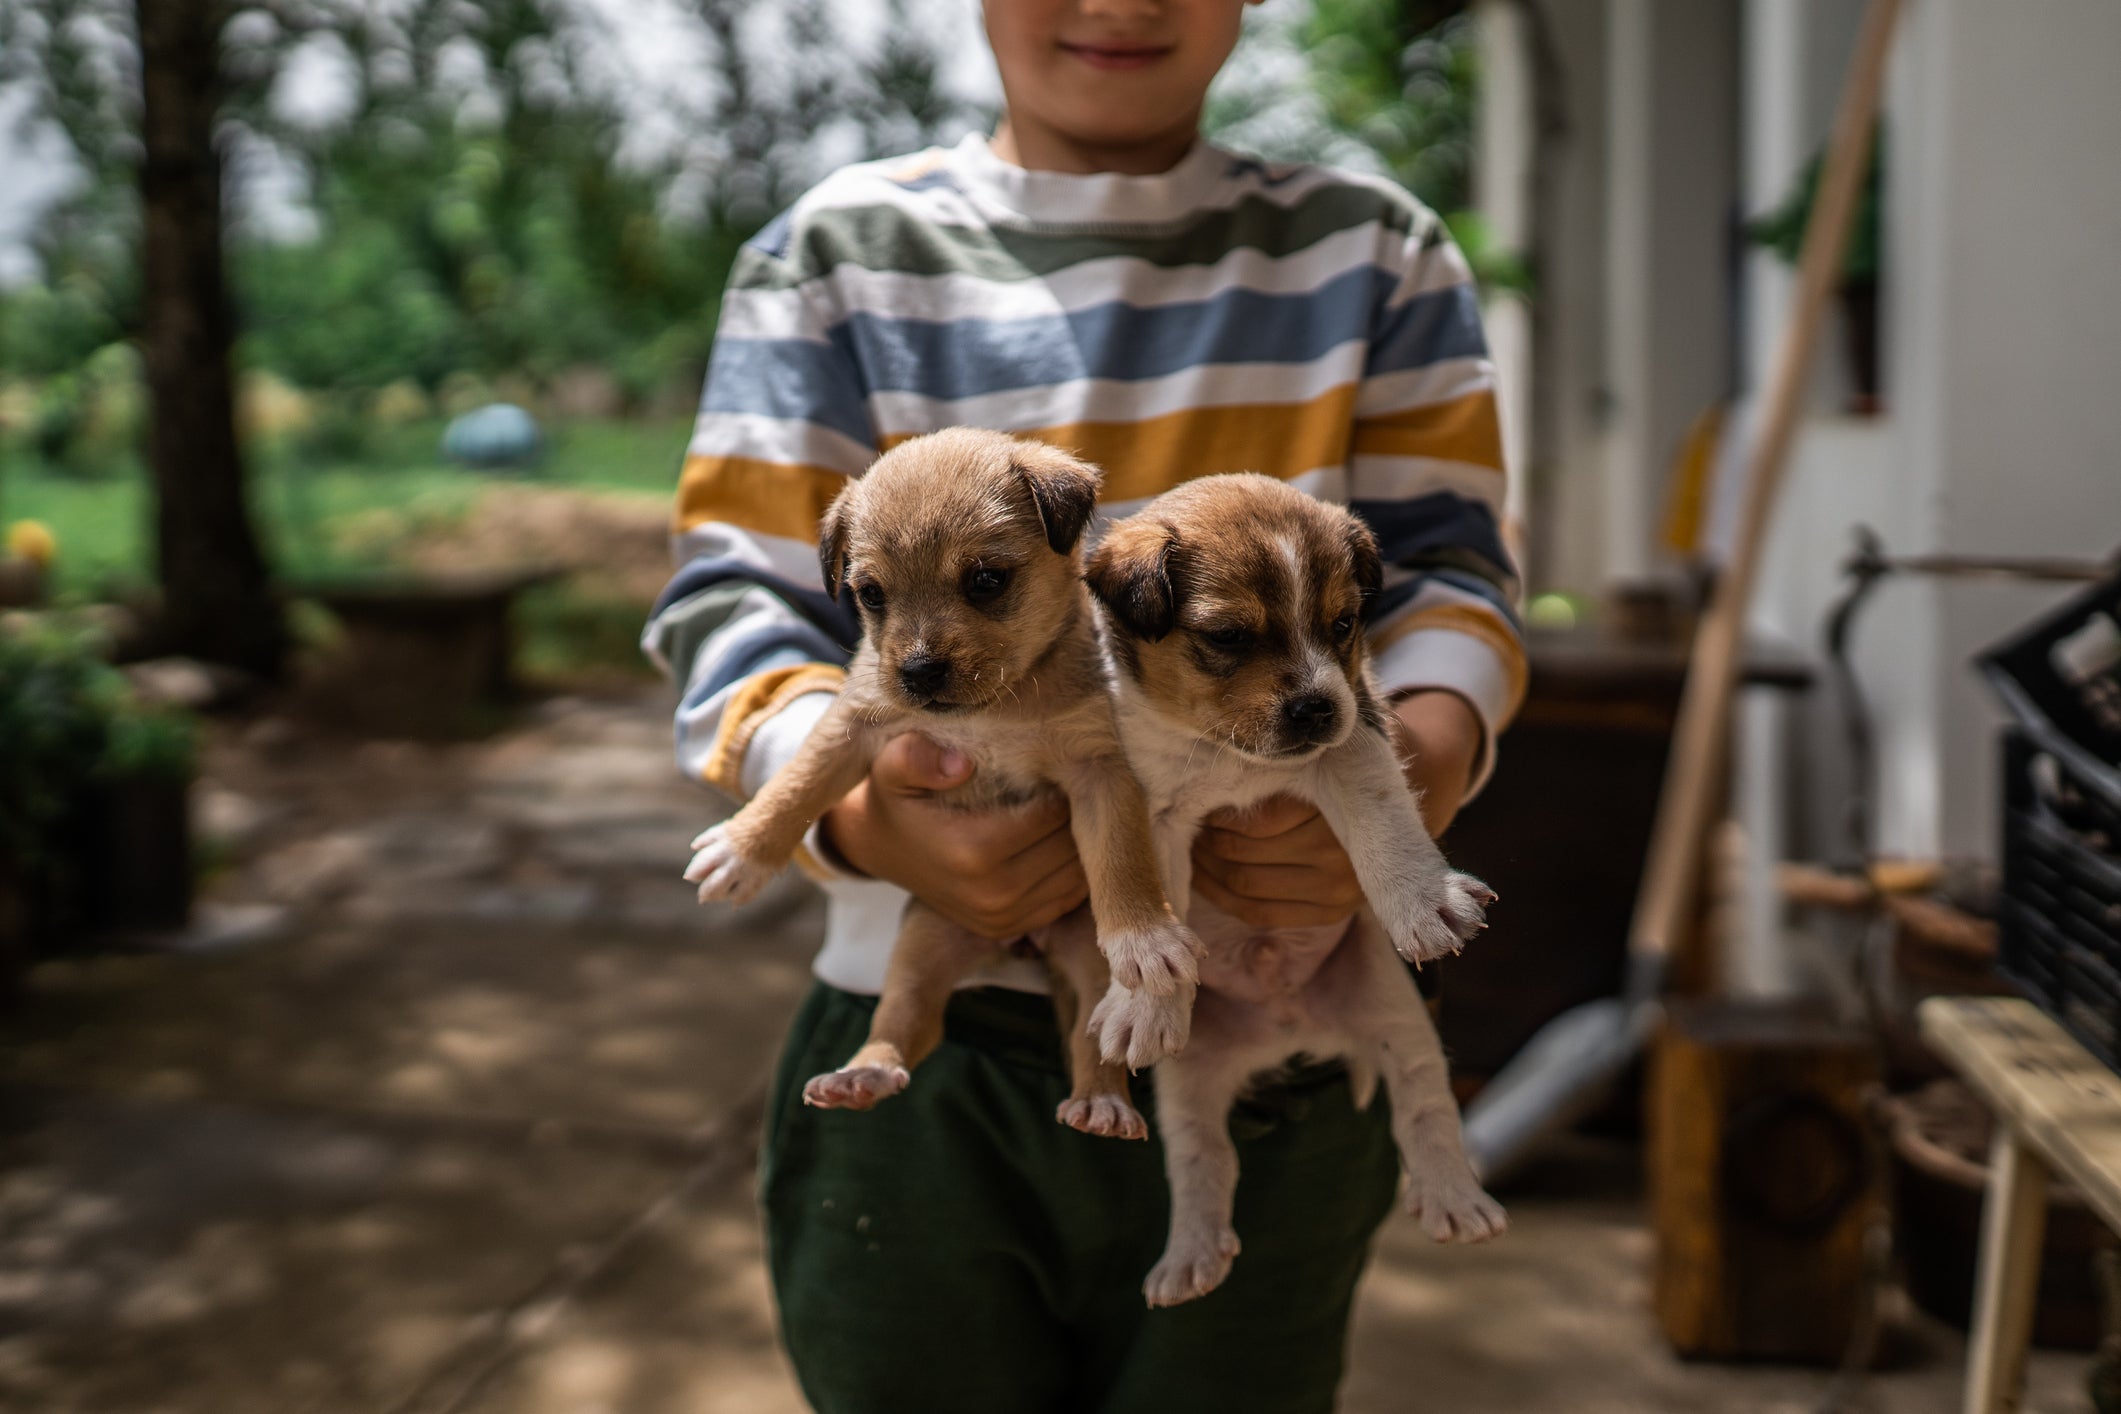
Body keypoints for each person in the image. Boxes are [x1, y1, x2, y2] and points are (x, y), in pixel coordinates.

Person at [642, 1, 1524, 1408]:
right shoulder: (832, 256)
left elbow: (1450, 573)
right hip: (935, 1041)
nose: (1119, 4)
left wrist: (1409, 766)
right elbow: (732, 597)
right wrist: (862, 821)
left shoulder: (1374, 250)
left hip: (1277, 1015)